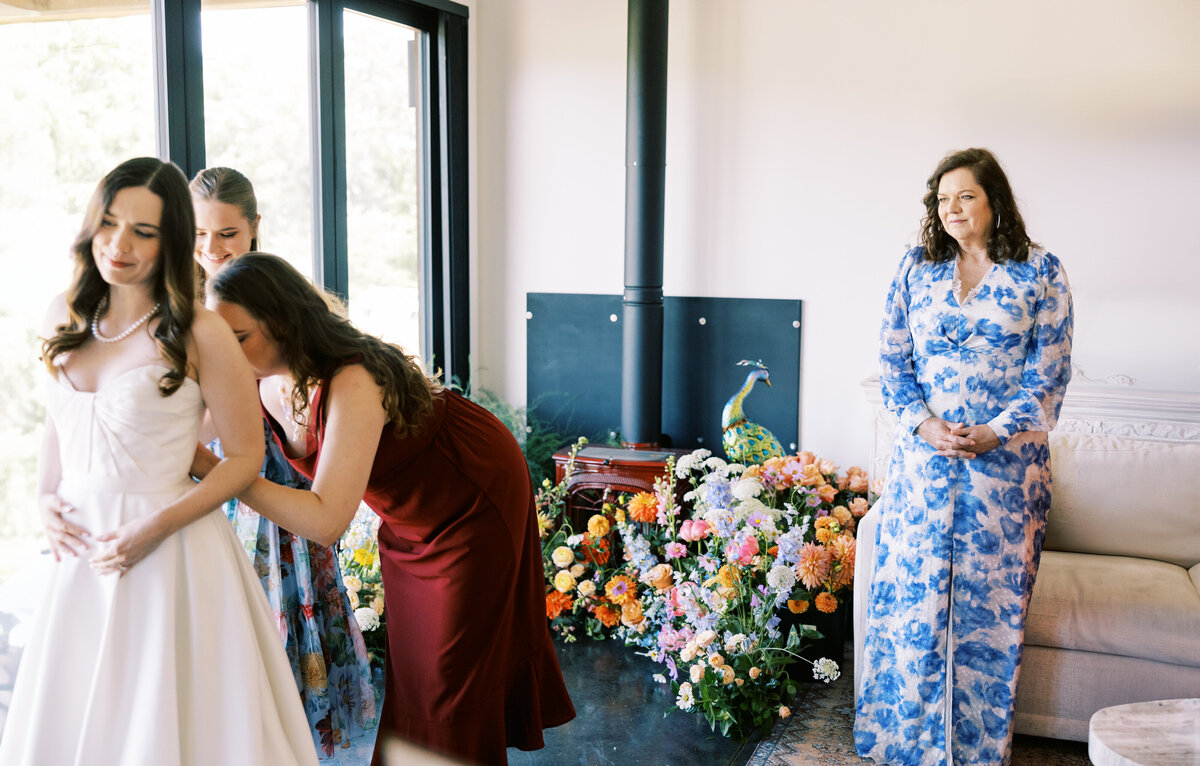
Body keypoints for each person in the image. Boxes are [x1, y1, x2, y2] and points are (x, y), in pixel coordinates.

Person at [195, 253, 576, 766]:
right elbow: (187, 431)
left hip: (471, 496)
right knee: (418, 672)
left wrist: (230, 478)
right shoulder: (255, 375)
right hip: (408, 517)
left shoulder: (353, 378)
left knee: (447, 676)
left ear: (283, 323)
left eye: (238, 337)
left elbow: (327, 521)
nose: (227, 352)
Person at [0, 158, 318, 765]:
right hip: (79, 556)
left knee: (174, 720)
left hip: (172, 549)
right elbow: (59, 421)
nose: (119, 245)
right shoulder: (63, 314)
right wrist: (45, 497)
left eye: (143, 231)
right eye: (110, 223)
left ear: (170, 238)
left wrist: (157, 525)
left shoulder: (202, 331)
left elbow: (245, 456)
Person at [855, 148, 1073, 766]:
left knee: (988, 621)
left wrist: (995, 432)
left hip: (1003, 480)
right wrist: (923, 426)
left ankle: (975, 754)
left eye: (965, 196)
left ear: (994, 200)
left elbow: (1049, 375)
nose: (951, 209)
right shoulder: (914, 269)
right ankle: (904, 745)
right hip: (922, 471)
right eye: (942, 199)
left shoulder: (1041, 272)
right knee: (912, 607)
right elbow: (893, 363)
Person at [191, 166, 378, 757]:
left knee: (295, 617)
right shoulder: (190, 308)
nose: (212, 250)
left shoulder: (271, 299)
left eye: (226, 234)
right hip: (220, 478)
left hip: (276, 484)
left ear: (253, 230)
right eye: (198, 236)